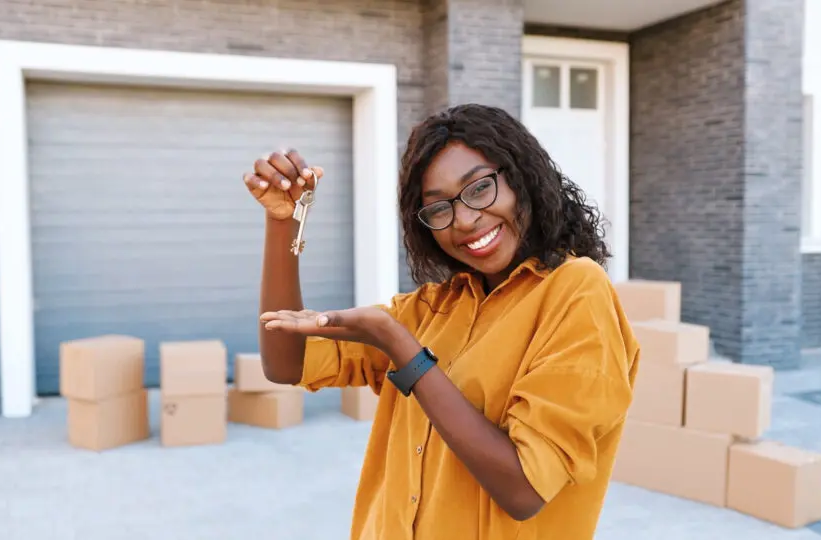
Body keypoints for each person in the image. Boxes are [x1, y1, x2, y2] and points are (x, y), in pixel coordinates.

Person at [243, 103, 640, 540]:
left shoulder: (576, 291)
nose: (465, 220)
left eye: (479, 189)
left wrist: (405, 352)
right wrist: (284, 222)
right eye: (439, 209)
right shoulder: (436, 307)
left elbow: (525, 489)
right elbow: (285, 364)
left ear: (521, 178)